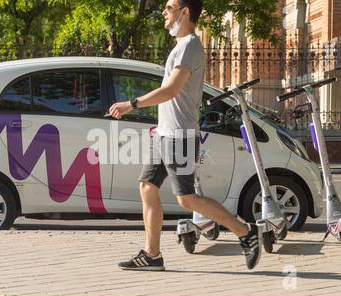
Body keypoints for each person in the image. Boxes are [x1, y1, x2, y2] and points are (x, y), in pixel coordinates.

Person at [108, 0, 262, 271]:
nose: (164, 13)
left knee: (186, 198)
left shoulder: (190, 46)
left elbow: (170, 90)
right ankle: (152, 254)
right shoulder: (181, 47)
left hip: (179, 136)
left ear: (185, 12)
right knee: (147, 186)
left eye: (169, 7)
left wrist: (131, 104)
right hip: (165, 134)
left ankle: (245, 231)